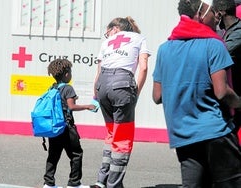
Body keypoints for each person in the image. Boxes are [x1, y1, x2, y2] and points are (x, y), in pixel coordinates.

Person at [152, 0, 241, 187]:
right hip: (216, 131)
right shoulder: (214, 45)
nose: (216, 16)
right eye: (211, 12)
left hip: (183, 133)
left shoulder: (164, 49)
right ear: (199, 16)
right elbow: (222, 92)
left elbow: (157, 96)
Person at [90, 17, 151, 188]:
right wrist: (136, 93)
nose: (107, 34)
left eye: (107, 31)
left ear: (115, 28)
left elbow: (99, 71)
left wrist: (96, 93)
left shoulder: (108, 41)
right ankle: (114, 184)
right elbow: (144, 67)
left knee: (111, 134)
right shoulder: (139, 39)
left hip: (102, 86)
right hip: (122, 86)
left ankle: (101, 181)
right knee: (122, 138)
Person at [43, 59, 97, 188]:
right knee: (76, 154)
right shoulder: (68, 88)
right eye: (70, 71)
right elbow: (71, 107)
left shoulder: (53, 87)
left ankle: (48, 183)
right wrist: (87, 106)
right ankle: (74, 183)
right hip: (67, 128)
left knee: (53, 155)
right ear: (67, 74)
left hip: (55, 128)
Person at [213, 0, 241, 140]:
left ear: (220, 13)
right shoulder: (224, 31)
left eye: (214, 11)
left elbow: (219, 53)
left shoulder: (239, 33)